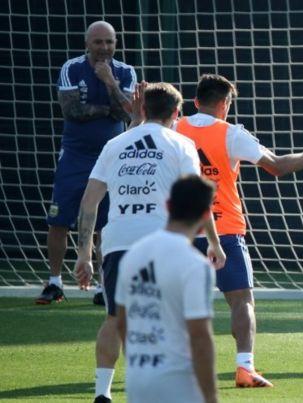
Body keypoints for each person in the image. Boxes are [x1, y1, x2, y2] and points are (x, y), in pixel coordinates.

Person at [174, 73, 303, 388]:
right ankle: (244, 368)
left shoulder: (173, 128)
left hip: (179, 231)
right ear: (225, 104)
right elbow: (277, 166)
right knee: (242, 302)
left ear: (195, 102)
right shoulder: (232, 134)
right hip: (223, 229)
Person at [73, 82, 226, 403]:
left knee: (115, 317)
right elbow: (197, 197)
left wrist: (84, 253)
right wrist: (214, 242)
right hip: (164, 242)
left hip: (118, 242)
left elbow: (89, 201)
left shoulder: (114, 144)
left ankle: (102, 392)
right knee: (178, 318)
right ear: (176, 112)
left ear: (142, 109)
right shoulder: (181, 144)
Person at [37, 20, 137, 306]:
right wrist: (109, 108)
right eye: (98, 42)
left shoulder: (125, 72)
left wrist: (108, 81)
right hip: (75, 156)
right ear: (87, 43)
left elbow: (127, 114)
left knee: (105, 225)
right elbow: (72, 111)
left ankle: (103, 287)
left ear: (115, 44)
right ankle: (54, 282)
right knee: (59, 220)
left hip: (111, 157)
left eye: (109, 42)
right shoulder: (72, 68)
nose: (104, 48)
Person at [116, 174, 219, 403]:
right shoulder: (195, 265)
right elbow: (200, 338)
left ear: (168, 205)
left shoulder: (133, 255)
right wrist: (211, 397)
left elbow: (122, 323)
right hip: (177, 383)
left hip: (137, 379)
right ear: (205, 216)